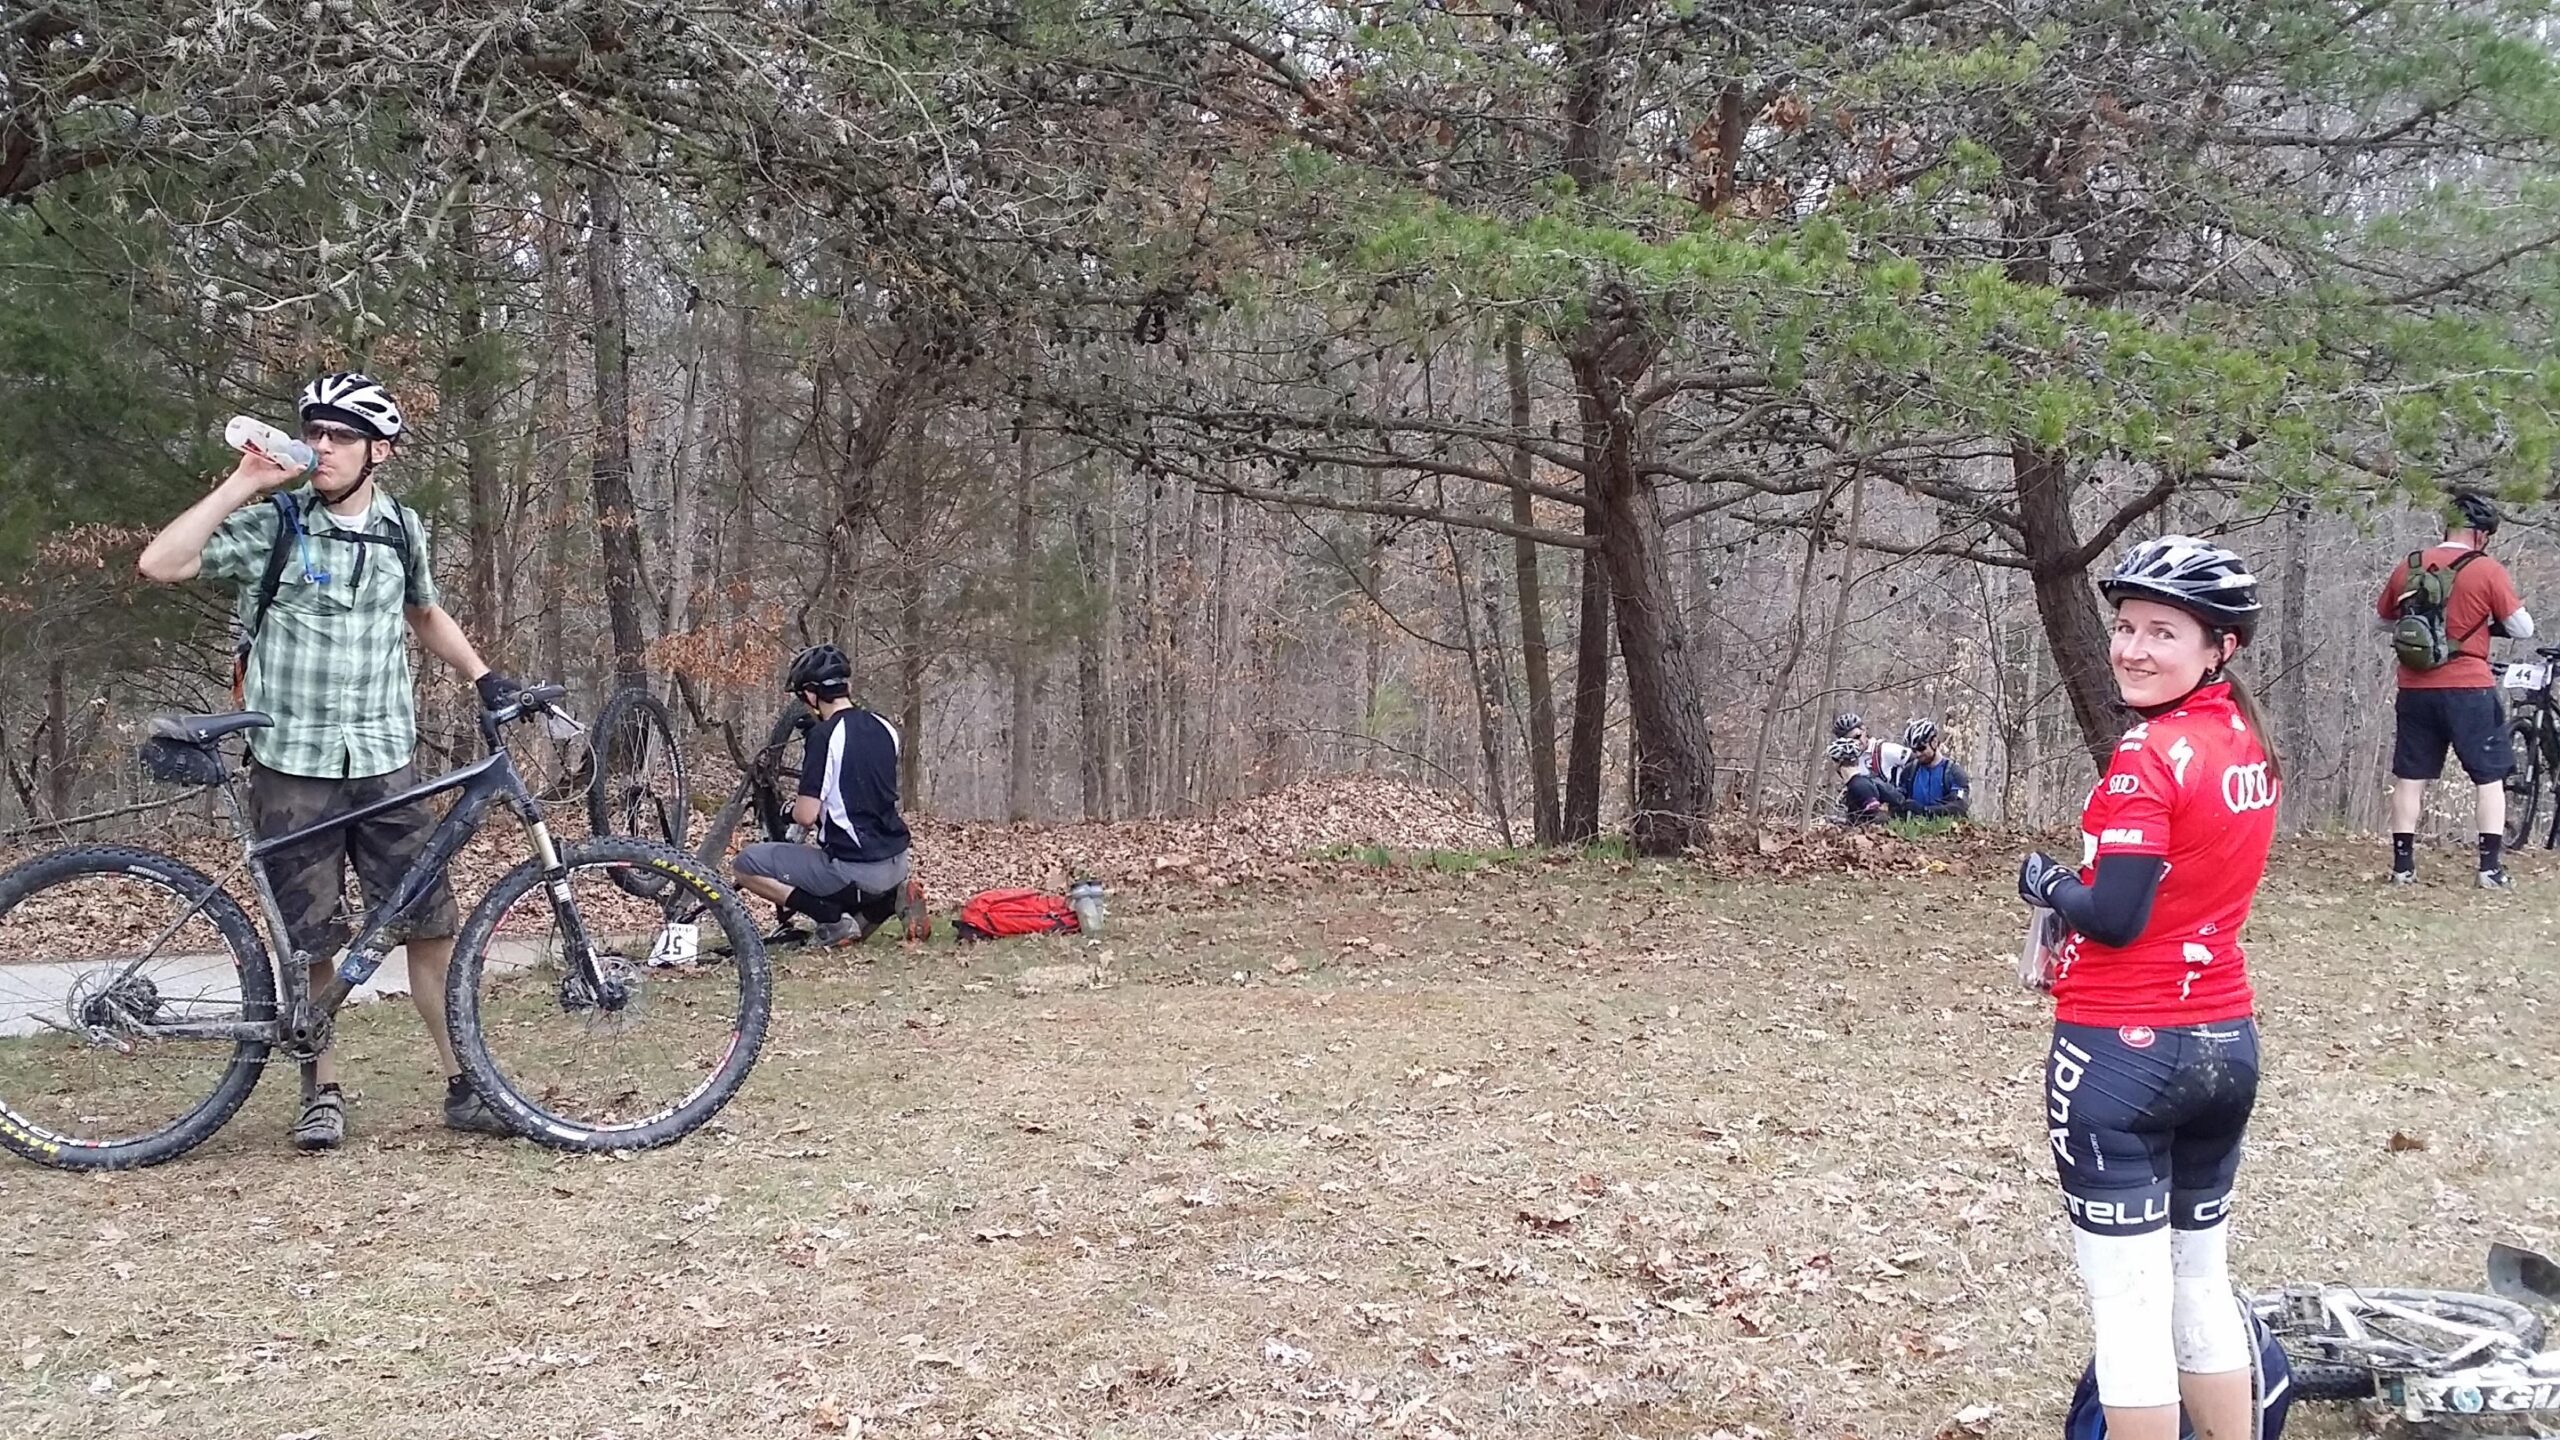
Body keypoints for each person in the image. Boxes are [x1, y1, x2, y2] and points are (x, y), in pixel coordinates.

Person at [136, 372, 520, 1151]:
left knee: (428, 928)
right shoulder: (277, 522)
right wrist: (244, 480)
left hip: (384, 758)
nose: (321, 447)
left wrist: (485, 677)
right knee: (313, 940)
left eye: (340, 435)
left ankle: (464, 1080)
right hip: (292, 761)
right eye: (313, 432)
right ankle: (323, 1089)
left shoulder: (400, 529)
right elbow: (162, 564)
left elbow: (423, 611)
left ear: (381, 450)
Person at [2015, 535, 2279, 1440]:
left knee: (2131, 1318)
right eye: (2125, 627)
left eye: (2162, 632)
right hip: (2226, 1044)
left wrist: (2047, 884)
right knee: (2201, 1281)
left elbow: (2116, 913)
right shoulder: (2247, 743)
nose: (2131, 648)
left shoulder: (2148, 755)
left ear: (2219, 647)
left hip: (2122, 1049)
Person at [2374, 493, 2533, 888]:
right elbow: (2523, 628)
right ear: (2479, 535)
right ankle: (2489, 869)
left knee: (2411, 777)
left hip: (2414, 687)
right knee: (2488, 777)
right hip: (2469, 688)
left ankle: (2403, 868)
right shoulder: (2487, 570)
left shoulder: (2410, 566)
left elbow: (2382, 621)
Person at [730, 644, 926, 946]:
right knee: (858, 929)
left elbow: (806, 815)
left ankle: (830, 919)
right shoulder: (885, 726)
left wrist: (787, 810)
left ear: (810, 695)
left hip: (853, 869)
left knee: (746, 864)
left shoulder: (824, 737)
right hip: (897, 859)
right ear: (846, 686)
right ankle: (891, 898)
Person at [1891, 719, 1972, 820]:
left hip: (1947, 832)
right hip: (1914, 830)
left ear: (1934, 743)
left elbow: (1960, 807)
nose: (1918, 754)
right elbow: (1898, 800)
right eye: (1914, 750)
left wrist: (1925, 811)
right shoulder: (1908, 772)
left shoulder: (1954, 773)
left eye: (1921, 748)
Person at [1829, 736, 1907, 824]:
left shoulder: (1859, 786)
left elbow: (1878, 818)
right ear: (1857, 761)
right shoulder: (1859, 782)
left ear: (1837, 763)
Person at [1832, 711, 1910, 779]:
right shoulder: (1848, 764)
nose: (1856, 742)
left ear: (1864, 730)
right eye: (1849, 741)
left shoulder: (1885, 750)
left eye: (1857, 736)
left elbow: (1916, 760)